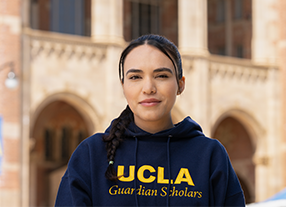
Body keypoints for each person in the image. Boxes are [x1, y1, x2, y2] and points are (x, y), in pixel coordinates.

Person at [55, 34, 245, 207]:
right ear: (123, 86)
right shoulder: (91, 154)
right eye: (135, 77)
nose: (148, 88)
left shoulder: (210, 156)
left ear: (180, 84)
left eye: (161, 76)